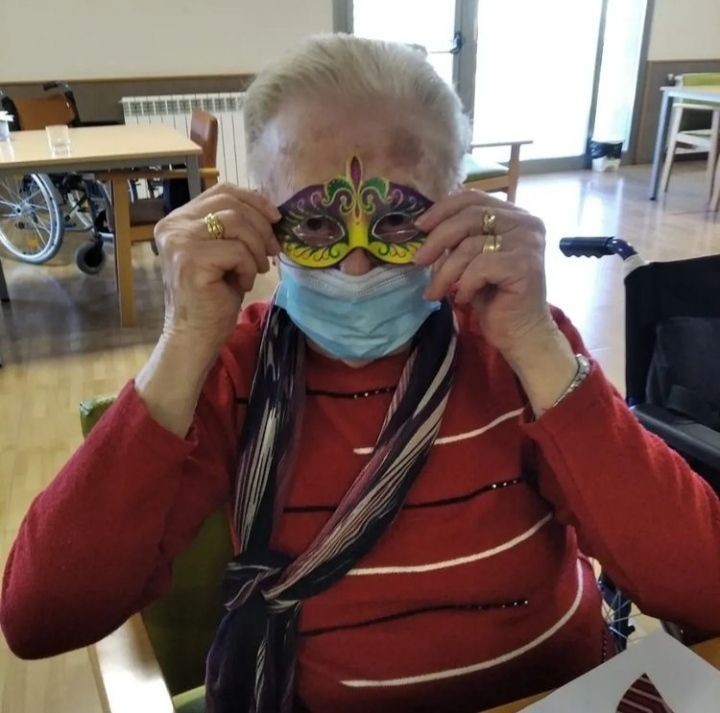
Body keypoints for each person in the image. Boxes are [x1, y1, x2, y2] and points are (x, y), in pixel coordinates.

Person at [2, 34, 720, 713]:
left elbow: (704, 585)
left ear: (461, 206)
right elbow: (41, 617)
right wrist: (184, 339)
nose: (354, 265)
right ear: (259, 214)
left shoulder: (517, 347)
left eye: (396, 222)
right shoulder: (227, 377)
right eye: (315, 224)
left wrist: (535, 342)